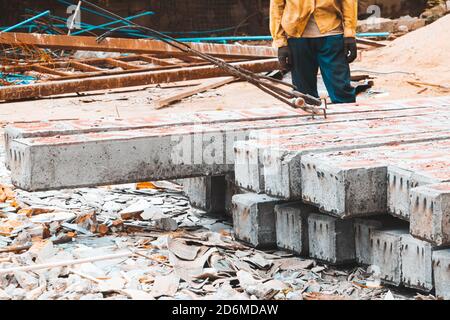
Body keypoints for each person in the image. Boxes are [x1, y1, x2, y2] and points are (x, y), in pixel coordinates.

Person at [270, 0, 358, 103]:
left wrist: (349, 35)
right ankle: (309, 117)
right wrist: (281, 42)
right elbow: (276, 7)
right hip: (297, 37)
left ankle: (346, 115)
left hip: (331, 34)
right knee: (304, 95)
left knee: (341, 90)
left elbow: (349, 2)